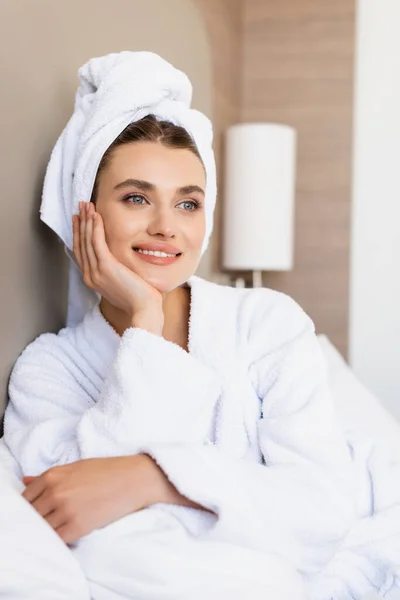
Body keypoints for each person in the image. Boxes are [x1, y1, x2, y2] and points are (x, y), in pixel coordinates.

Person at [3, 52, 355, 600]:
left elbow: (322, 514)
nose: (167, 228)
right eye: (137, 198)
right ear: (85, 213)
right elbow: (76, 525)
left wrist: (153, 477)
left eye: (188, 204)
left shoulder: (266, 325)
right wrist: (144, 319)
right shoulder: (49, 369)